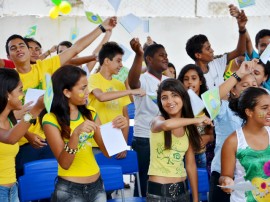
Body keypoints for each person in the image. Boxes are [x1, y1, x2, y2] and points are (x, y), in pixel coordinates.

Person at [5, 16, 117, 178]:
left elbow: (75, 48)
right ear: (9, 56)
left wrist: (101, 28)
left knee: (52, 189)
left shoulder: (46, 66)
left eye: (22, 45)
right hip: (23, 145)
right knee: (29, 191)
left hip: (54, 140)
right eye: (13, 48)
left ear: (29, 51)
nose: (18, 49)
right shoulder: (9, 79)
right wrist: (27, 134)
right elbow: (6, 115)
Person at [42, 65, 128, 202]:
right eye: (83, 88)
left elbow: (107, 152)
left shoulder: (90, 112)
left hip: (97, 185)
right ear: (67, 92)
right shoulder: (50, 119)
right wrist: (75, 135)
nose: (88, 92)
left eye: (87, 86)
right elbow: (64, 163)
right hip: (69, 190)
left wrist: (116, 128)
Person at [147, 78, 212, 201]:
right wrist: (196, 120)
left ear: (183, 98)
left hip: (183, 191)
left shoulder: (188, 129)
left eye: (174, 95)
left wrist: (196, 199)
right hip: (159, 193)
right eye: (164, 97)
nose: (169, 101)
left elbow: (190, 165)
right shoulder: (158, 120)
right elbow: (166, 125)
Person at [208, 62, 258, 202]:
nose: (250, 89)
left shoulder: (263, 114)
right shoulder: (225, 109)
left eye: (254, 85)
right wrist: (238, 74)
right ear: (233, 90)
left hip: (252, 177)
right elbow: (210, 99)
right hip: (223, 176)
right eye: (244, 85)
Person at [88, 41, 145, 158]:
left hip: (115, 143)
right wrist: (131, 91)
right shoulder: (92, 79)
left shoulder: (119, 85)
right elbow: (101, 97)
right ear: (107, 61)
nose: (121, 65)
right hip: (95, 142)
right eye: (118, 61)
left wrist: (123, 144)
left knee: (112, 175)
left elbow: (125, 117)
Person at [128, 38, 169, 197]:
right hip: (145, 138)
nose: (166, 58)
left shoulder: (169, 81)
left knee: (162, 179)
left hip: (165, 137)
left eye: (166, 55)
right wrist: (139, 55)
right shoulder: (143, 80)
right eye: (161, 55)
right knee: (145, 180)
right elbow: (132, 82)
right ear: (149, 60)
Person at [0, 68, 43, 202]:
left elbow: (15, 133)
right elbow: (10, 138)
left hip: (12, 189)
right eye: (20, 90)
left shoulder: (9, 120)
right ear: (7, 94)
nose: (23, 95)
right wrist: (36, 109)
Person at [220, 87, 270, 202]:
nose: (269, 111)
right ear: (249, 112)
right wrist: (226, 181)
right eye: (264, 108)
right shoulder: (233, 141)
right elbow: (225, 176)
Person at [185, 4, 247, 89]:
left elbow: (240, 51)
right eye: (208, 49)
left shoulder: (217, 63)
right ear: (198, 55)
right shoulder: (193, 77)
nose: (212, 50)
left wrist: (242, 28)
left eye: (210, 47)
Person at [178, 64, 214, 170]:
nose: (190, 82)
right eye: (186, 79)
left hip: (204, 155)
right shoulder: (178, 105)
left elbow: (212, 135)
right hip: (182, 156)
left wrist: (206, 138)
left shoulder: (208, 103)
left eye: (194, 78)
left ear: (201, 81)